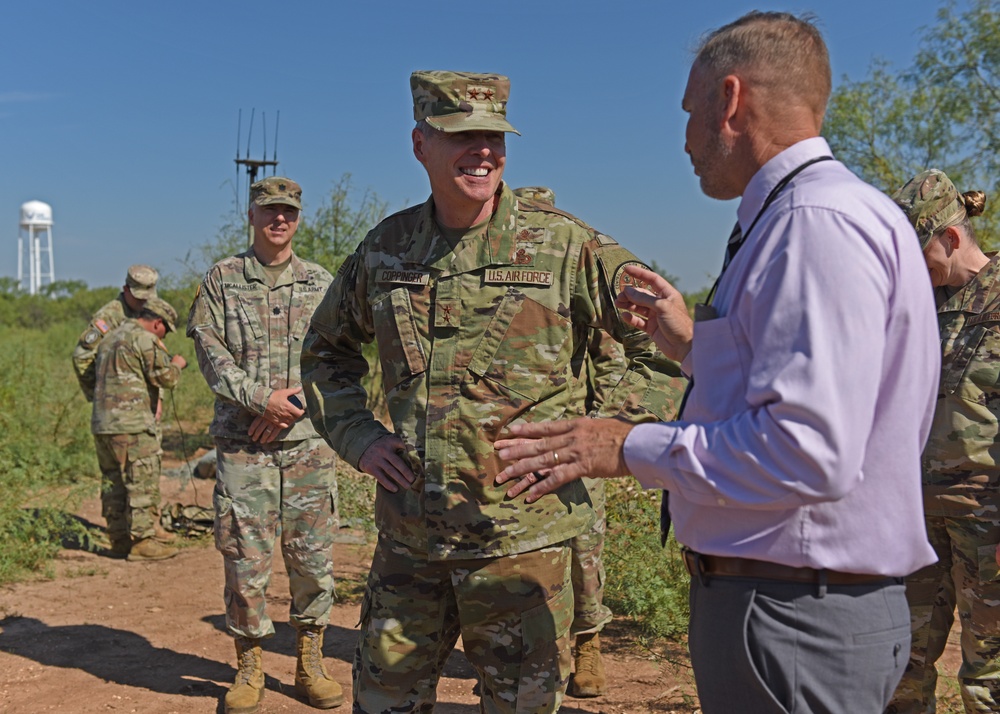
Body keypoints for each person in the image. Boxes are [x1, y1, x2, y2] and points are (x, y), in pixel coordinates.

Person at [493, 12, 941, 714]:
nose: (686, 141)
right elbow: (803, 391)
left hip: (791, 614)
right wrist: (693, 346)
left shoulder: (813, 225)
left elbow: (808, 451)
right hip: (794, 606)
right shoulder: (811, 216)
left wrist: (623, 446)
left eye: (691, 113)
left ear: (730, 100)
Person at [301, 71, 683, 713]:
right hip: (410, 546)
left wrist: (605, 439)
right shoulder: (387, 250)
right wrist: (361, 438)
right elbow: (325, 353)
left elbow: (666, 347)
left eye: (494, 137)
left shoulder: (565, 244)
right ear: (421, 143)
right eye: (461, 135)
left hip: (521, 545)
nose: (482, 151)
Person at [187, 177, 343, 713]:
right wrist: (261, 400)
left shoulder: (321, 282)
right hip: (242, 446)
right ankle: (249, 664)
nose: (280, 220)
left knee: (312, 555)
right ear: (250, 215)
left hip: (305, 444)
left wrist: (289, 407)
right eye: (269, 210)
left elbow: (337, 358)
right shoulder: (222, 280)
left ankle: (310, 660)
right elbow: (210, 354)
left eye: (289, 212)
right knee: (245, 556)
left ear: (299, 219)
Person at [887, 170, 998, 713]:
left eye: (917, 255)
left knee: (990, 672)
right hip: (916, 518)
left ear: (951, 239)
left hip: (989, 520)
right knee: (898, 659)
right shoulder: (918, 307)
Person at [513, 185, 617, 698]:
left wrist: (598, 430)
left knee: (585, 547)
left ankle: (589, 643)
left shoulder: (577, 274)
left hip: (578, 441)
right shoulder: (510, 286)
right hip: (526, 446)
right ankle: (535, 652)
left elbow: (614, 362)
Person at [91, 296, 186, 561]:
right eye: (165, 329)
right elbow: (165, 378)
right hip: (132, 424)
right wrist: (177, 364)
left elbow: (86, 367)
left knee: (113, 482)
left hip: (102, 424)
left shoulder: (108, 338)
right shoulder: (143, 339)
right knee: (140, 481)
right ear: (157, 323)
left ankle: (119, 540)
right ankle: (143, 541)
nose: (164, 334)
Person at [73, 264, 159, 401]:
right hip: (116, 403)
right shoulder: (109, 317)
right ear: (126, 290)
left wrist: (158, 397)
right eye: (139, 297)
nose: (144, 301)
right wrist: (99, 395)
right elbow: (82, 356)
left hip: (142, 400)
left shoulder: (149, 312)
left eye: (148, 297)